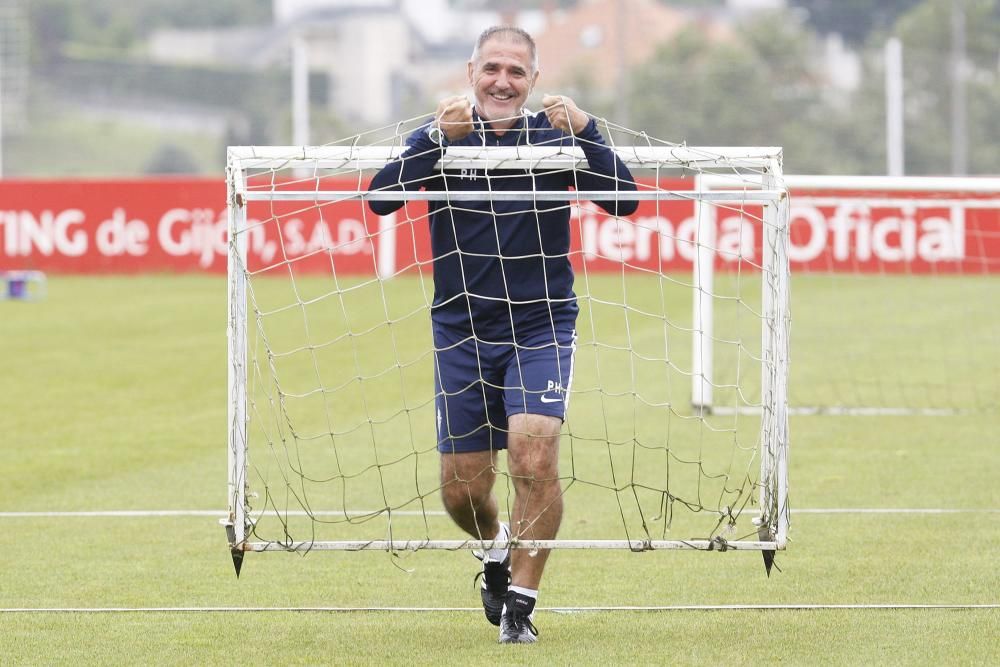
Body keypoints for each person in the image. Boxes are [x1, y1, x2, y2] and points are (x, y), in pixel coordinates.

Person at [368, 25, 637, 644]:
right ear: (471, 73)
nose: (502, 81)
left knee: (533, 454)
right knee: (461, 491)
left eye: (516, 71)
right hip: (461, 328)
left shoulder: (555, 138)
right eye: (492, 68)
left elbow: (625, 201)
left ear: (534, 80)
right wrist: (436, 139)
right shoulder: (442, 135)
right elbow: (380, 200)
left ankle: (521, 604)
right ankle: (494, 547)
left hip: (541, 324)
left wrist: (589, 131)